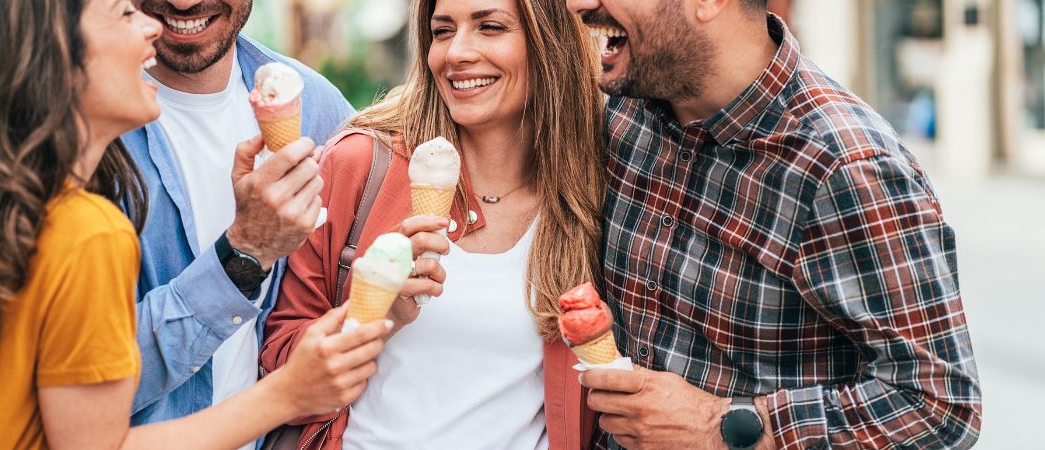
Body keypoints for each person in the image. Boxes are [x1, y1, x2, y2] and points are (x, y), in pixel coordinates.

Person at [563, 0, 983, 449]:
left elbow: (940, 408)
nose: (579, 3)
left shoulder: (844, 164)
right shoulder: (629, 114)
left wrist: (721, 426)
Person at [0, 1, 387, 449]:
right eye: (124, 12)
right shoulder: (91, 228)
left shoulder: (316, 106)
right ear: (55, 48)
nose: (165, 15)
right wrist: (247, 255)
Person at [260, 0, 604, 448]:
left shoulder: (593, 189)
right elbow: (278, 370)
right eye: (442, 31)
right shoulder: (360, 164)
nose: (456, 52)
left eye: (491, 27)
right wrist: (375, 319)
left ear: (551, 41)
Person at [119, 1, 355, 444]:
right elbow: (71, 384)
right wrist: (245, 252)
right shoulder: (80, 126)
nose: (185, 2)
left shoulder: (319, 108)